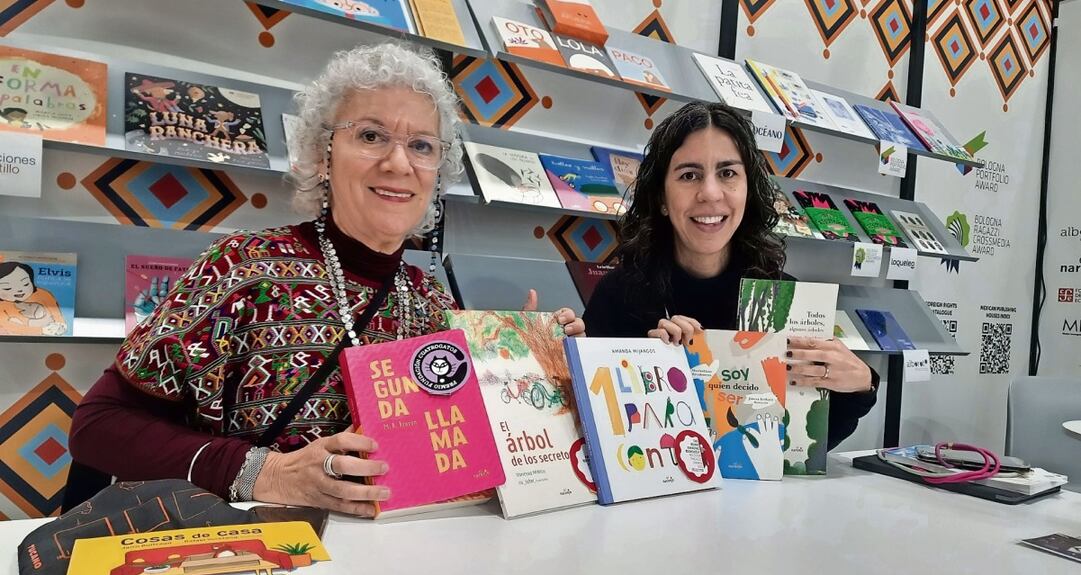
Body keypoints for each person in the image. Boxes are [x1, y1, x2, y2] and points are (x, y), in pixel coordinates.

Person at [69, 44, 584, 516]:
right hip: (254, 562)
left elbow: (455, 455)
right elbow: (99, 426)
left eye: (422, 146)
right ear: (321, 155)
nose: (398, 162)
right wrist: (266, 473)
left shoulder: (430, 301)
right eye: (370, 135)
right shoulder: (245, 268)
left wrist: (531, 369)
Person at [583, 101, 877, 449]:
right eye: (689, 175)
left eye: (727, 173)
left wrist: (859, 387)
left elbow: (806, 446)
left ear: (748, 189)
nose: (710, 193)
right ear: (662, 197)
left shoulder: (784, 299)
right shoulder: (620, 296)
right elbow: (599, 432)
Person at [0, 261, 67, 336]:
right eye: (7, 288)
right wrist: (41, 330)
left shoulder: (43, 294)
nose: (19, 290)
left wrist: (61, 323)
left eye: (25, 284)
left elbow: (55, 311)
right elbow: (9, 326)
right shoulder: (2, 306)